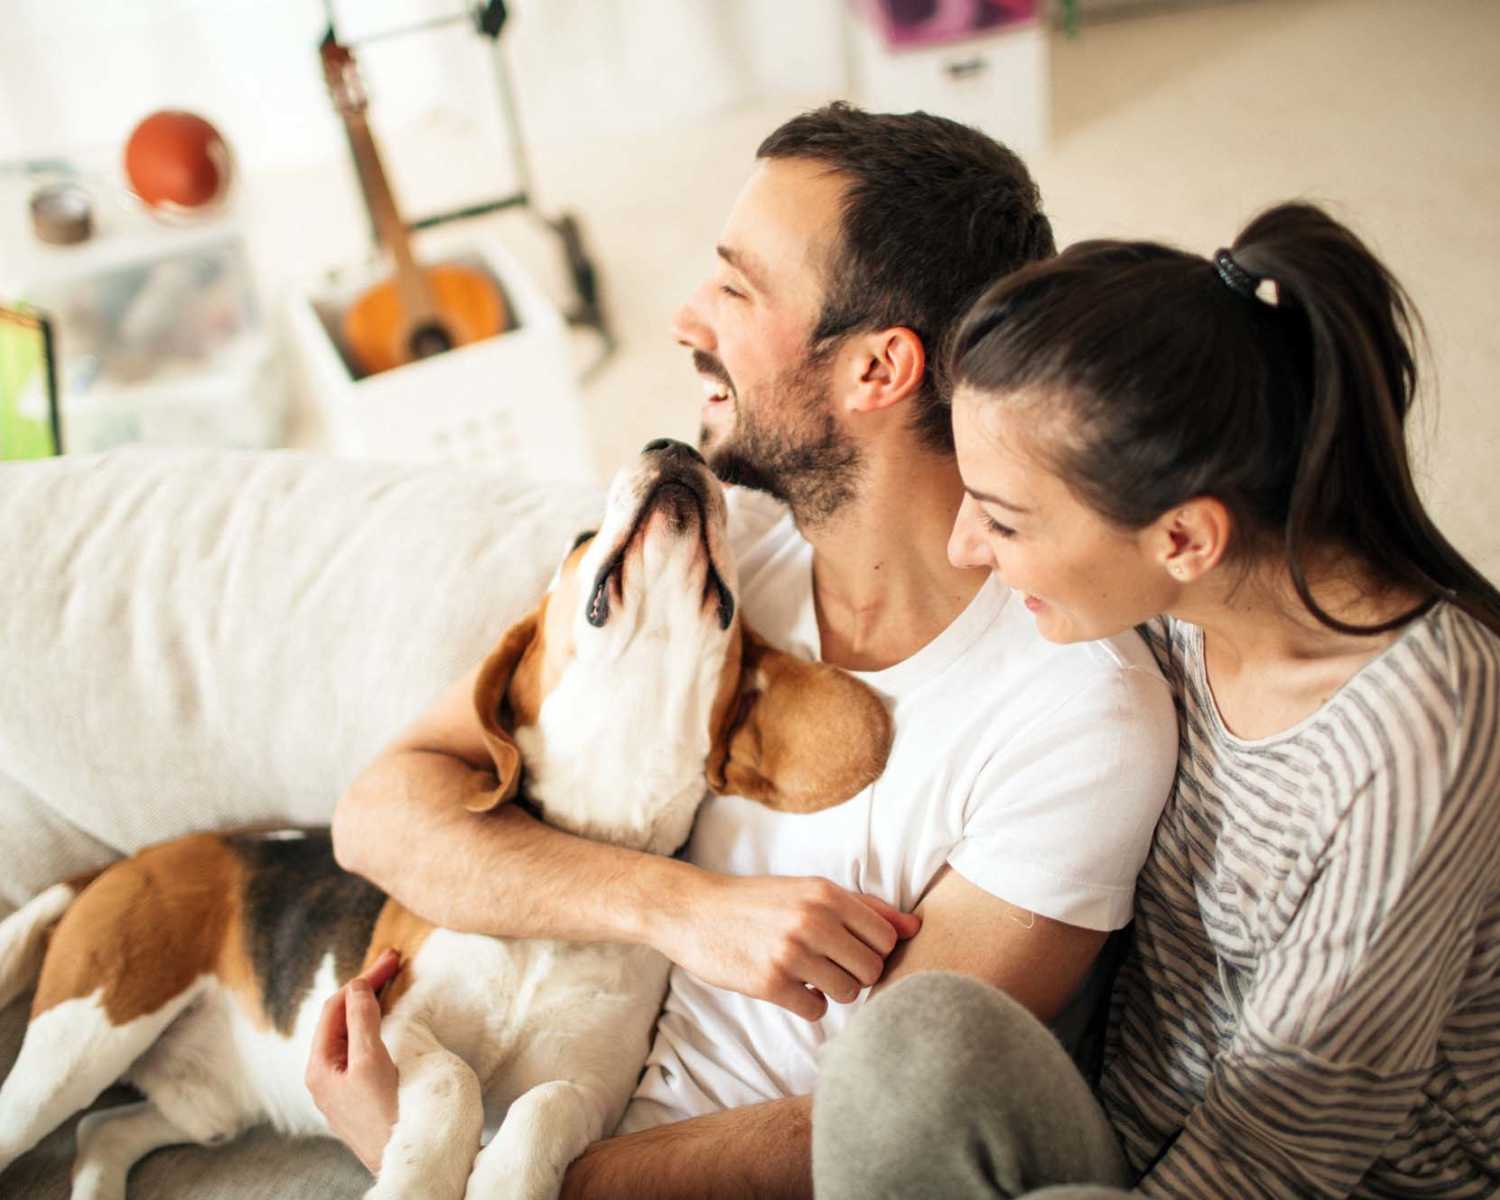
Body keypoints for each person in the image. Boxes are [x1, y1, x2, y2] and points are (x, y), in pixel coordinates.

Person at [306, 103, 1179, 1197]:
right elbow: (379, 811)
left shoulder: (1078, 716)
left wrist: (464, 1169)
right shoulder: (717, 543)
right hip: (523, 1093)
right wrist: (678, 909)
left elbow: (876, 1121)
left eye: (736, 287)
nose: (684, 316)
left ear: (878, 370)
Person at [813, 203, 1500, 1198]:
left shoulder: (1418, 733)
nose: (967, 546)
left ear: (1184, 540)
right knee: (906, 1047)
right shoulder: (1181, 594)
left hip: (1304, 1179)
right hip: (1128, 1107)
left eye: (1002, 521)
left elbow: (1282, 1156)